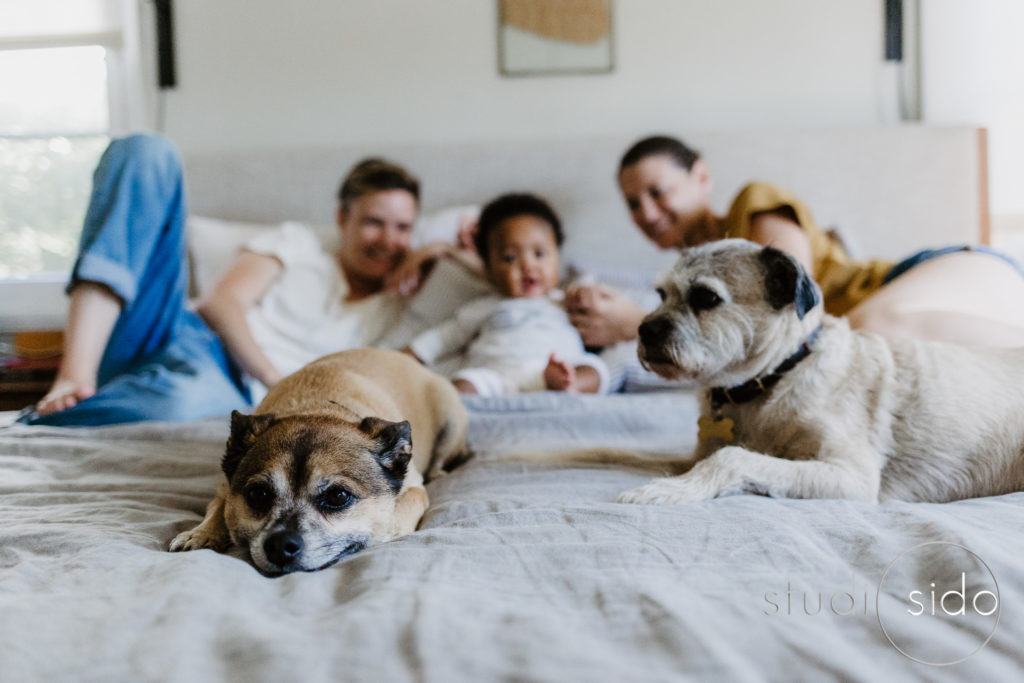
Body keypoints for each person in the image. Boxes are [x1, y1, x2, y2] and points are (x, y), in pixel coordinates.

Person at [22, 134, 458, 426]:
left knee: (186, 405)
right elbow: (221, 304)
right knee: (147, 150)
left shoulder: (404, 303)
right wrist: (275, 378)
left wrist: (440, 250)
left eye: (403, 228)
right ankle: (75, 375)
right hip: (187, 338)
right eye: (374, 223)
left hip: (222, 392)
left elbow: (506, 280)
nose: (388, 240)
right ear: (342, 218)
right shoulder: (297, 242)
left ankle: (47, 419)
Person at [567, 134, 1024, 350]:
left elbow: (797, 318)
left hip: (952, 275)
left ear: (701, 176)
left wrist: (636, 324)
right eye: (631, 204)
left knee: (864, 333)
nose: (646, 212)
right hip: (954, 322)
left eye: (657, 192)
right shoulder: (684, 281)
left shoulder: (755, 203)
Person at [406, 193, 608, 395]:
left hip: (556, 371)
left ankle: (569, 385)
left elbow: (604, 316)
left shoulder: (565, 301)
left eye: (540, 254)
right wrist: (408, 354)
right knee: (463, 383)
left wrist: (590, 296)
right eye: (510, 257)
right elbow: (444, 337)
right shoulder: (485, 306)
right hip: (497, 378)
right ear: (489, 268)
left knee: (595, 369)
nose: (528, 266)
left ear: (558, 256)